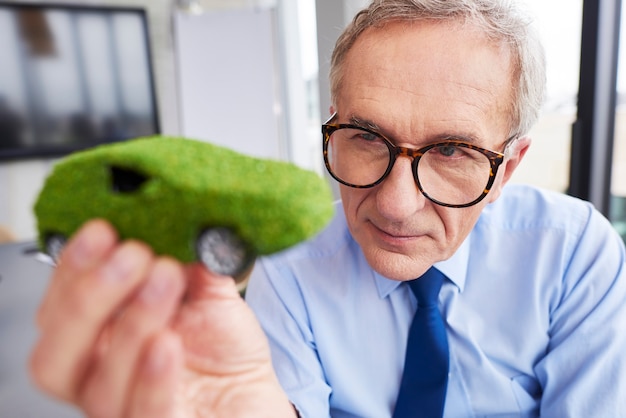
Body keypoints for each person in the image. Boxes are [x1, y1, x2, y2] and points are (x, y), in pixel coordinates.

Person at [29, 0, 626, 417]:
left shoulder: (574, 255)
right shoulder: (290, 261)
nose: (395, 205)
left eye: (451, 151)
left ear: (508, 170)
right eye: (366, 137)